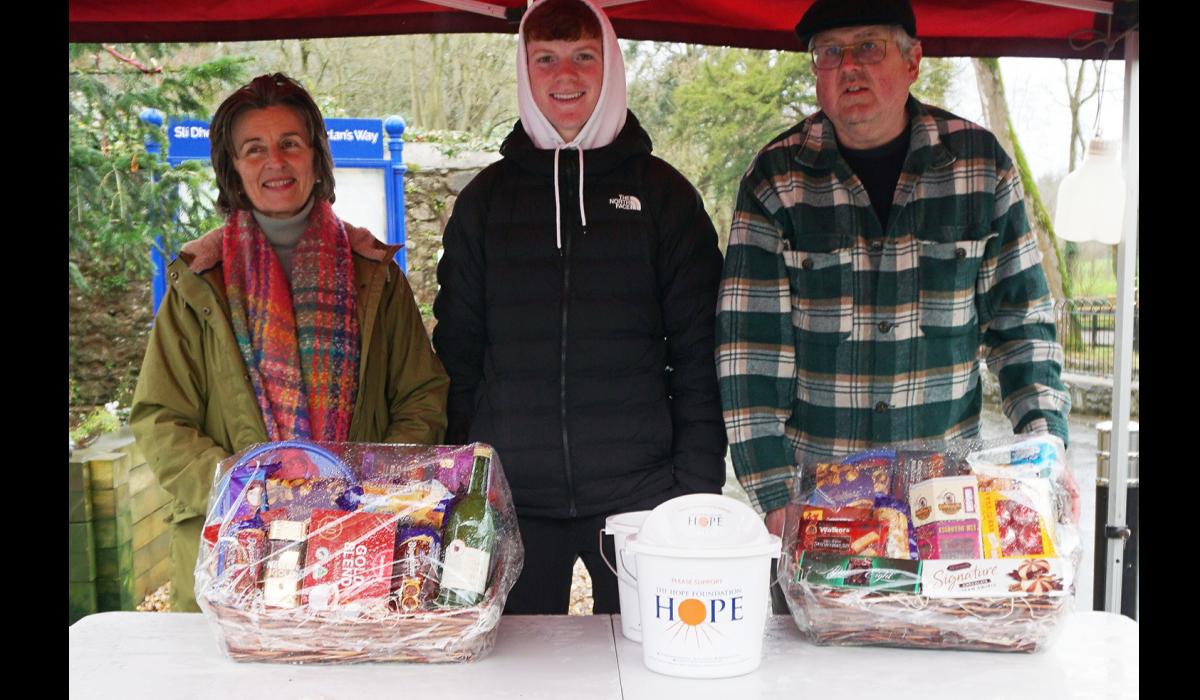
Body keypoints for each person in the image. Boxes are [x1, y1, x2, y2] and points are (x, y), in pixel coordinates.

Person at [716, 0, 1070, 541]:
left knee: (940, 630)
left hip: (946, 505)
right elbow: (749, 355)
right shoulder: (775, 180)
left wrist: (1047, 451)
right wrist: (773, 495)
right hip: (821, 507)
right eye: (829, 52)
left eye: (868, 46)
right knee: (814, 631)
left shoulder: (980, 167)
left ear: (914, 62)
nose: (848, 65)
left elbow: (1023, 328)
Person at [433, 0, 726, 615]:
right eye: (546, 58)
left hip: (642, 503)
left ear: (610, 64)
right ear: (525, 69)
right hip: (510, 503)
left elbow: (702, 354)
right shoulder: (485, 202)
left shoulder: (664, 196)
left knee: (650, 670)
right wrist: (463, 480)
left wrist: (693, 492)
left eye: (582, 56)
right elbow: (458, 354)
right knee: (515, 675)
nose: (564, 75)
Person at [131, 73, 449, 613]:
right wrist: (244, 492)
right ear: (233, 167)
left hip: (356, 547)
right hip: (234, 547)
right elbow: (160, 417)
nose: (273, 161)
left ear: (315, 157)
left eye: (289, 144)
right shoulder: (198, 283)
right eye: (253, 149)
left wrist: (366, 489)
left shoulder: (374, 275)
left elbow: (422, 394)